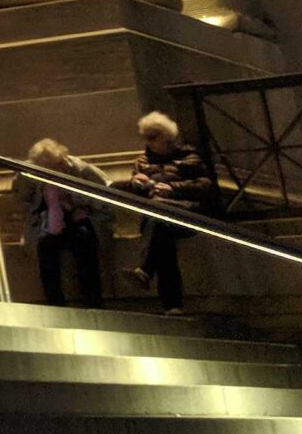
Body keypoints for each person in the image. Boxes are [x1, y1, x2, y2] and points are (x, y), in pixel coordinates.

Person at [120, 112, 217, 314]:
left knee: (160, 231)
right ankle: (172, 305)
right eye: (146, 137)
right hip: (159, 217)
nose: (149, 142)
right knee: (162, 238)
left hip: (184, 212)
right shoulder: (142, 161)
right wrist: (138, 184)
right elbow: (136, 190)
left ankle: (149, 274)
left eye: (153, 137)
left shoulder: (188, 157)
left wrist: (173, 188)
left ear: (166, 136)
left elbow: (204, 185)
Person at [13, 136, 114, 309]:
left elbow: (104, 193)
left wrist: (73, 197)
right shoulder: (31, 175)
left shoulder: (81, 169)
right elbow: (22, 197)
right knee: (45, 250)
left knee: (84, 244)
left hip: (80, 217)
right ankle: (54, 303)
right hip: (51, 221)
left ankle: (93, 300)